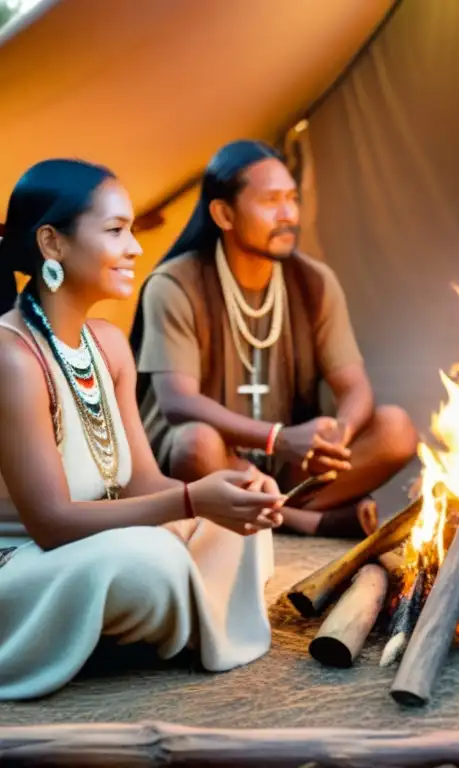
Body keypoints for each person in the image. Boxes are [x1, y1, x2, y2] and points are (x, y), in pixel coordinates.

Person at [0, 159, 287, 700]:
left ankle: (124, 628)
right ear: (52, 244)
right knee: (146, 564)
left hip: (101, 539)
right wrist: (190, 501)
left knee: (238, 529)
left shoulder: (107, 344)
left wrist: (229, 490)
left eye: (131, 229)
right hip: (25, 565)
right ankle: (106, 628)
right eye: (115, 231)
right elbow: (52, 524)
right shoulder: (12, 357)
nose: (134, 248)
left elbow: (142, 484)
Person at [129, 140, 419, 539]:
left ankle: (268, 510)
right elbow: (178, 402)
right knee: (197, 443)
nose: (288, 215)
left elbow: (355, 388)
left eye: (292, 199)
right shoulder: (174, 284)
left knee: (396, 429)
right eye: (270, 201)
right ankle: (304, 521)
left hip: (286, 462)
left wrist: (337, 437)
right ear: (224, 214)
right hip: (205, 460)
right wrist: (277, 438)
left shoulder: (314, 283)